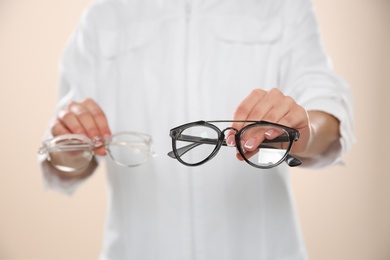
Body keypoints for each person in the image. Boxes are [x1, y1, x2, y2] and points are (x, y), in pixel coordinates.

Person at [39, 0, 354, 259]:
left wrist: (304, 129)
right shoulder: (103, 18)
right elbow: (63, 160)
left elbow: (326, 104)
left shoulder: (284, 8)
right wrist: (70, 141)